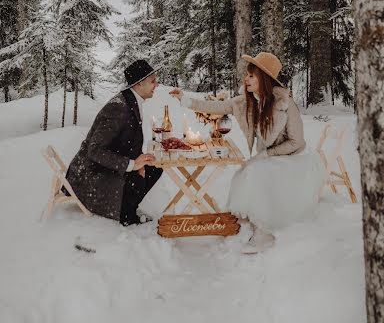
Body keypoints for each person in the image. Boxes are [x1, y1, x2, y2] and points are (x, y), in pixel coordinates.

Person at [170, 52, 326, 253]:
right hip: (270, 158)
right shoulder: (247, 101)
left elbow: (296, 142)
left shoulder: (285, 103)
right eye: (247, 75)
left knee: (257, 173)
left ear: (265, 79)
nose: (246, 79)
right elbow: (216, 106)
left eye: (252, 76)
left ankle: (263, 234)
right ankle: (247, 216)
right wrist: (186, 100)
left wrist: (267, 155)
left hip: (295, 158)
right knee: (245, 171)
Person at [66, 60, 163, 226]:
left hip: (104, 166)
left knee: (154, 166)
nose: (157, 84)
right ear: (139, 83)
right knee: (138, 176)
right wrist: (132, 164)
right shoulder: (118, 108)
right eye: (153, 81)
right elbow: (95, 151)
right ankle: (126, 215)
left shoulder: (131, 100)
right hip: (91, 175)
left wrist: (139, 162)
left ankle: (130, 206)